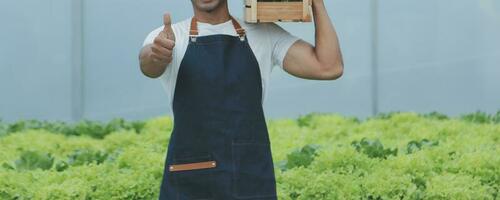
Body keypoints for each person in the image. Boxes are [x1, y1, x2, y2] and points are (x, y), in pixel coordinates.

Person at [138, 0, 343, 199]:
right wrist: (157, 55)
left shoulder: (263, 34)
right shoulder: (169, 37)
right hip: (191, 177)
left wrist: (317, 3)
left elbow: (329, 67)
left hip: (250, 176)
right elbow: (148, 64)